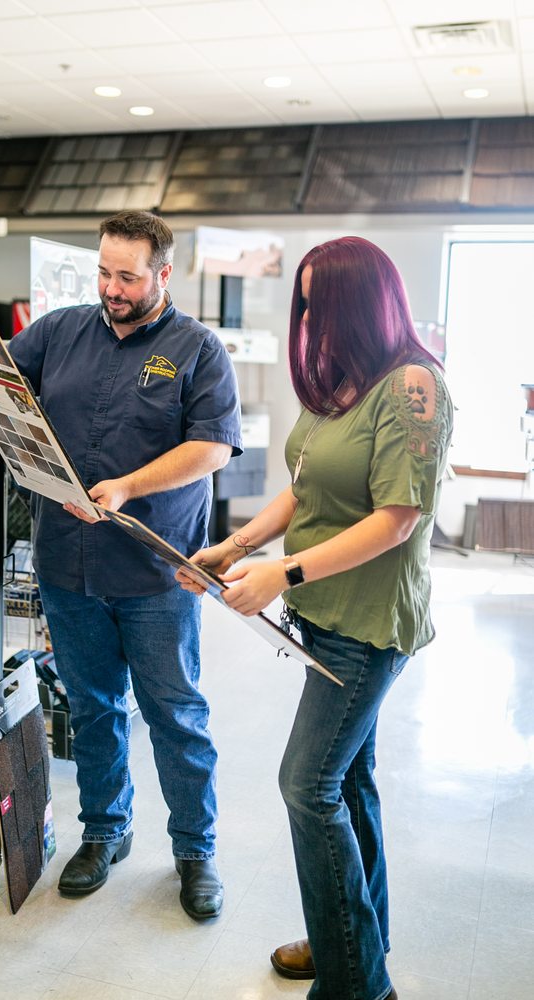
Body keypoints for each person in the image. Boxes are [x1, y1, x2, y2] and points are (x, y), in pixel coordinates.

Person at [0, 210, 242, 920]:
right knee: (94, 709)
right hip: (66, 564)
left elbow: (214, 448)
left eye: (127, 277)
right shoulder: (61, 331)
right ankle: (105, 831)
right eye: (103, 272)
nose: (111, 288)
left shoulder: (198, 349)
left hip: (154, 573)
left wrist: (132, 485)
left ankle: (195, 851)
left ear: (164, 274)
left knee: (174, 713)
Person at [178, 236, 453, 997]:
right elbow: (303, 488)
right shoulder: (344, 382)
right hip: (326, 618)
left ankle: (354, 981)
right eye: (302, 304)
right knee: (349, 782)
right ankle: (356, 938)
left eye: (318, 305)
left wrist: (283, 571)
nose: (308, 319)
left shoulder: (411, 388)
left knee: (308, 786)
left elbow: (396, 518)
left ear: (363, 303)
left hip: (369, 626)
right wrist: (232, 547)